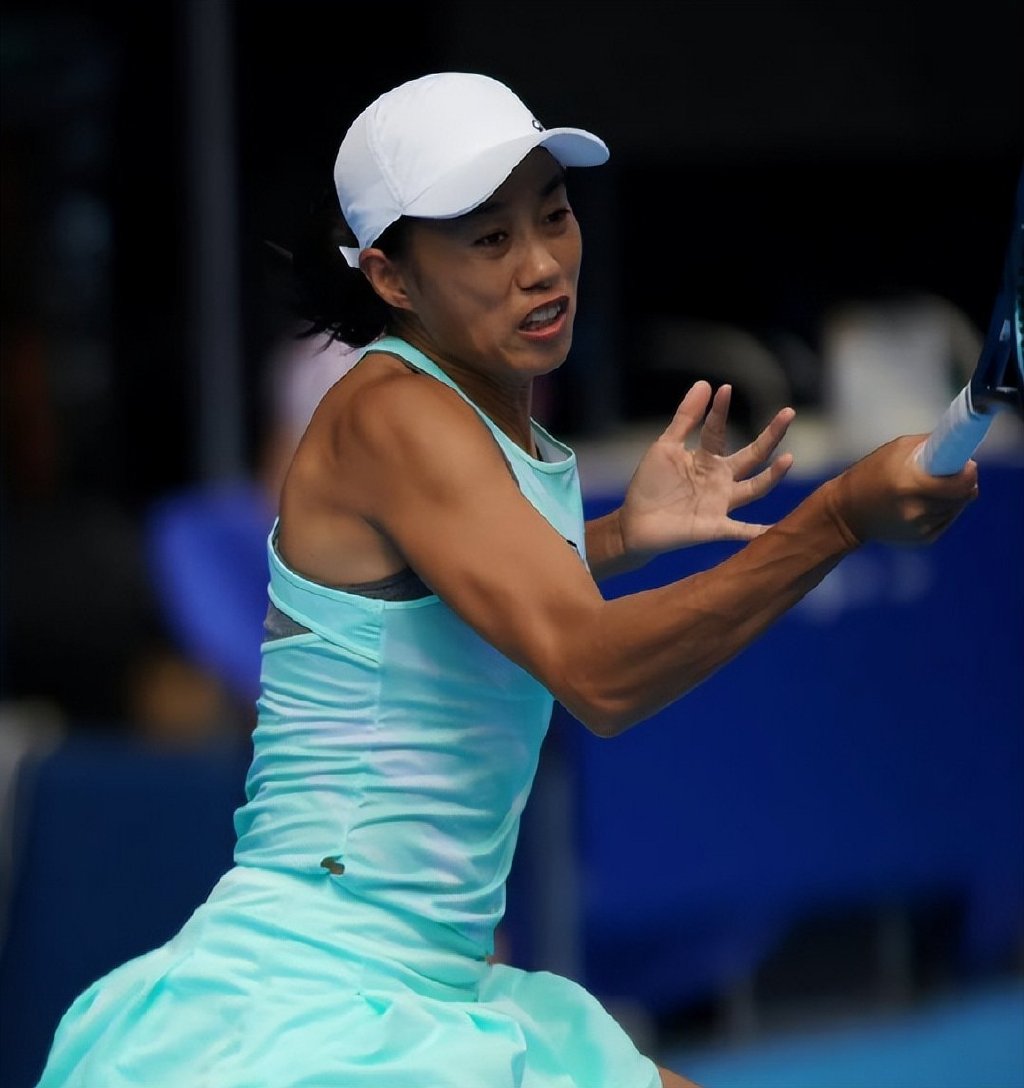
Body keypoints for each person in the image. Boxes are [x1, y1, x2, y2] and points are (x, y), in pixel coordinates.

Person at [37, 72, 977, 1088]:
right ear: (392, 277)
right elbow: (599, 674)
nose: (541, 265)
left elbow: (436, 595)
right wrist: (836, 517)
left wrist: (616, 537)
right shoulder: (396, 413)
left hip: (427, 985)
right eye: (489, 239)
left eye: (554, 215)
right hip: (313, 994)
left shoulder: (478, 409)